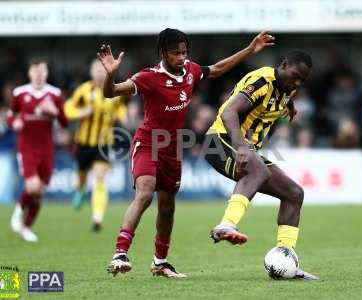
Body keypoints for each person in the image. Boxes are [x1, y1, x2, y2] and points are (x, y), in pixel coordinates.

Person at [97, 28, 275, 278]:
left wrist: (249, 49)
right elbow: (110, 92)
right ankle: (120, 254)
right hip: (149, 143)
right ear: (163, 53)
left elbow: (217, 68)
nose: (181, 57)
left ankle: (160, 262)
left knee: (167, 207)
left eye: (184, 52)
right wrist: (110, 75)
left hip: (172, 147)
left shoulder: (191, 70)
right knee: (146, 193)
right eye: (175, 53)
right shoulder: (149, 76)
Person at [204, 50, 319, 280]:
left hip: (245, 148)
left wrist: (291, 105)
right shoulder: (262, 80)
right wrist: (242, 147)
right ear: (283, 63)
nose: (296, 83)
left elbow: (285, 92)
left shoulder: (288, 87)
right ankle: (226, 225)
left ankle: (286, 257)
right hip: (220, 141)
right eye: (294, 76)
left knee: (294, 193)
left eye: (301, 81)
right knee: (258, 171)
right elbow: (229, 112)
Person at [7, 58, 68, 242]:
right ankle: (18, 211)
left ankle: (26, 227)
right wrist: (15, 122)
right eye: (36, 71)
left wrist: (55, 112)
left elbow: (65, 122)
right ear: (30, 73)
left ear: (47, 73)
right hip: (27, 147)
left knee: (39, 193)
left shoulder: (55, 94)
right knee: (32, 187)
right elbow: (11, 116)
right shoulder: (20, 93)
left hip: (47, 149)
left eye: (42, 70)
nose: (39, 74)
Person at [64, 59, 128, 232]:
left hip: (103, 144)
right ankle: (80, 191)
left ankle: (97, 217)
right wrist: (80, 112)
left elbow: (120, 107)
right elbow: (68, 108)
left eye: (102, 69)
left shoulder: (114, 90)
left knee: (100, 177)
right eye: (96, 69)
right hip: (83, 142)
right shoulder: (83, 90)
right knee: (82, 178)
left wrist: (123, 116)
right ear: (91, 72)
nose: (100, 72)